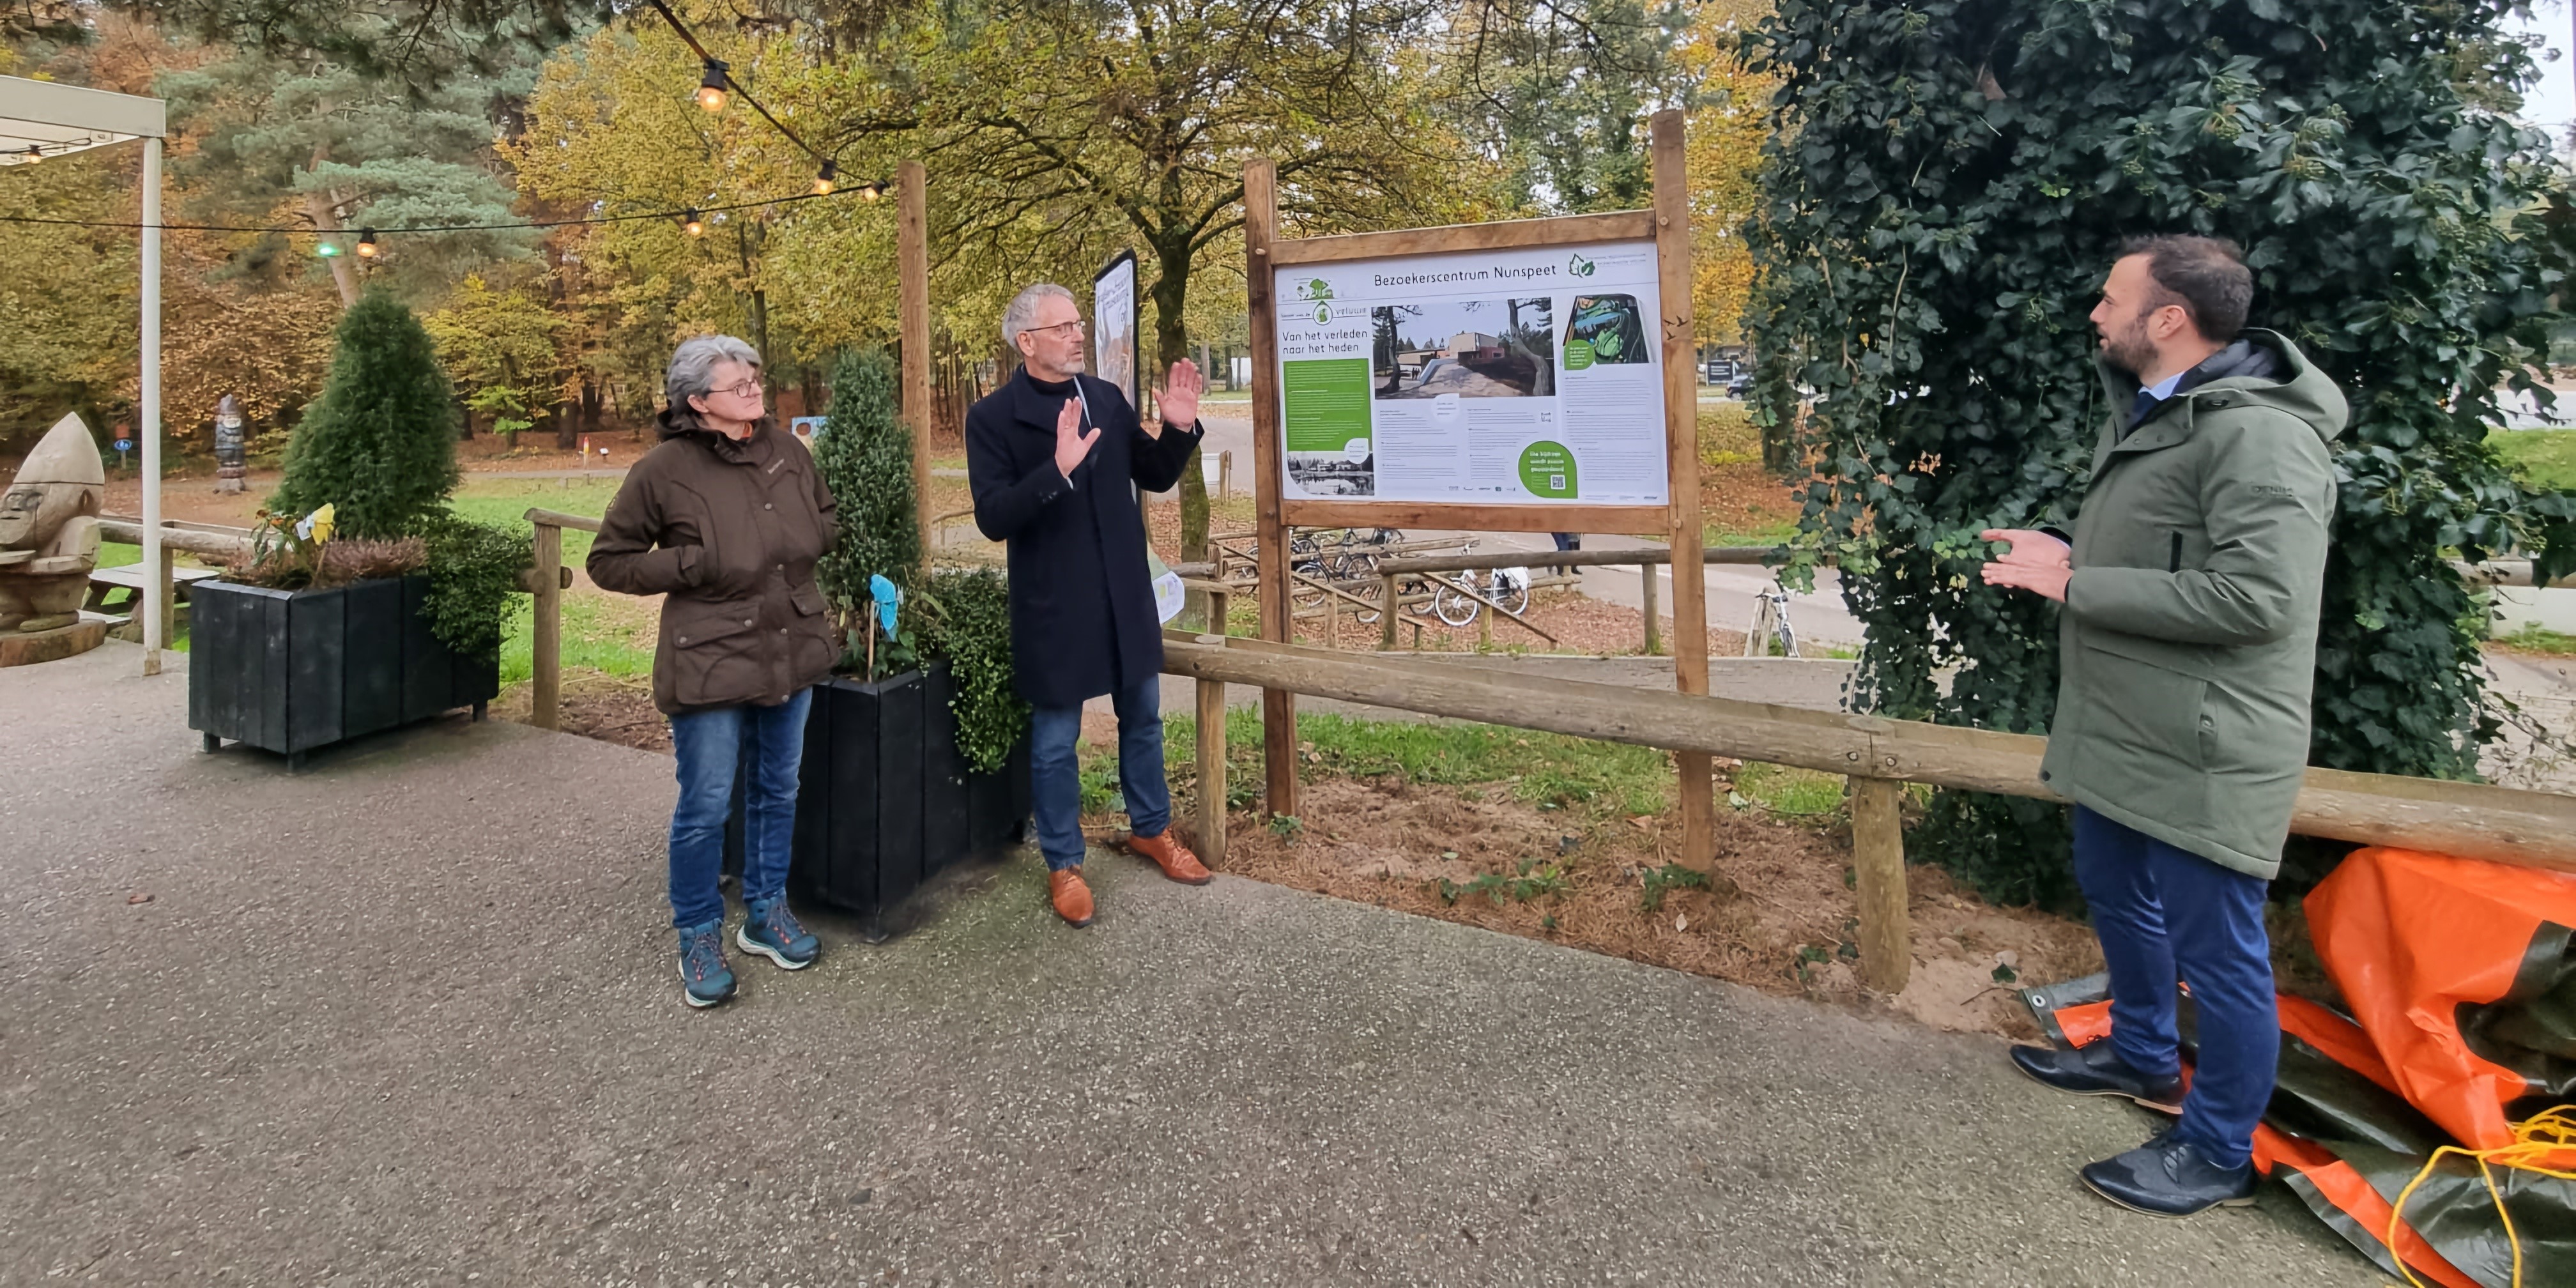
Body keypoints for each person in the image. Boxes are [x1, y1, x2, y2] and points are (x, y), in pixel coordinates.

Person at [1981, 235, 2344, 1216]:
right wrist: (2067, 551)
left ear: (2170, 317)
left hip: (2206, 744)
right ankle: (2139, 1055)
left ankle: (2219, 1149)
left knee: (2223, 956)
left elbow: (2259, 600)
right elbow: (2170, 551)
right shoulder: (2163, 413)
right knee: (2110, 884)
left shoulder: (2260, 435)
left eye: (2111, 299)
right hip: (2130, 728)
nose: (2097, 315)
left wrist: (2077, 582)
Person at [590, 335, 838, 1008]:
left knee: (778, 788)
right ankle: (699, 933)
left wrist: (811, 542)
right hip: (709, 658)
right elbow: (608, 561)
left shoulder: (788, 453)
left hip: (791, 646)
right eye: (740, 385)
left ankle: (765, 912)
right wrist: (688, 564)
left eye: (756, 378)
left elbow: (826, 518)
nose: (756, 390)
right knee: (704, 807)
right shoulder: (661, 471)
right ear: (698, 402)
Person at [965, 283, 1211, 927]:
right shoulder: (992, 418)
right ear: (1027, 342)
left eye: (1079, 323)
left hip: (1123, 594)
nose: (1079, 335)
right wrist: (1057, 471)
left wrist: (1180, 429)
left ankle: (1151, 828)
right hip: (1055, 606)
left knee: (1144, 719)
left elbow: (1153, 474)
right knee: (1053, 744)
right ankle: (1064, 863)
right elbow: (993, 518)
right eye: (1064, 327)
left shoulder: (1103, 398)